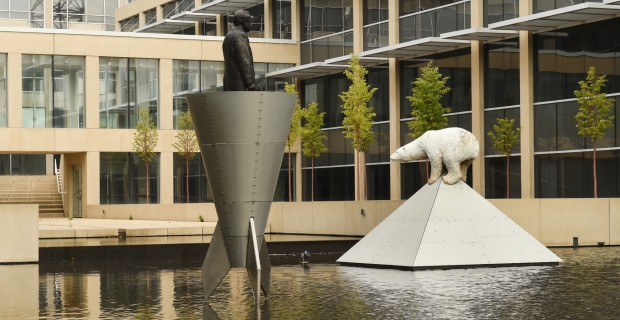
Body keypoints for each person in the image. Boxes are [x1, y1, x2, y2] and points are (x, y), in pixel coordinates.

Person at [222, 10, 256, 91]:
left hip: (229, 83)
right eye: (249, 22)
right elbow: (244, 60)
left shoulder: (228, 35)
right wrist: (250, 82)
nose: (250, 25)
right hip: (240, 84)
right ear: (244, 22)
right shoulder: (240, 35)